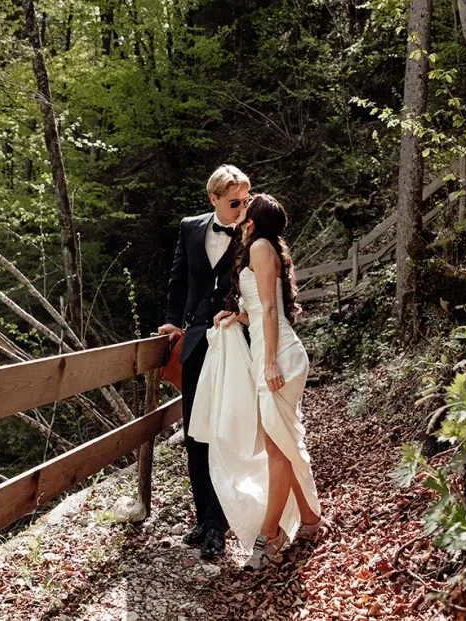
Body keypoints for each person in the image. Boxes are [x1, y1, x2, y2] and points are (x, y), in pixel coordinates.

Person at [191, 193, 323, 571]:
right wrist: (234, 317)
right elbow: (257, 309)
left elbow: (269, 308)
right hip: (269, 354)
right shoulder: (260, 247)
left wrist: (268, 363)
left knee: (278, 447)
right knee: (280, 443)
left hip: (279, 358)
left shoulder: (261, 247)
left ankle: (270, 537)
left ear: (254, 219)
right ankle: (310, 520)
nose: (242, 206)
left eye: (247, 205)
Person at [158, 164, 251, 559]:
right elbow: (178, 280)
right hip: (196, 340)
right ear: (213, 199)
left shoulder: (252, 230)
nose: (242, 208)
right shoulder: (190, 228)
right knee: (196, 433)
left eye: (246, 200)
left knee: (226, 430)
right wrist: (171, 321)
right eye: (234, 202)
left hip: (235, 342)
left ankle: (218, 524)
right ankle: (203, 518)